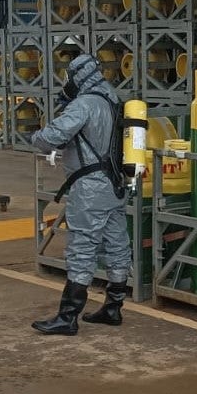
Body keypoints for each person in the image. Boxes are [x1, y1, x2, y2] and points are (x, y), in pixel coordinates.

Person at [27, 53, 130, 336]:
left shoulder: (84, 105)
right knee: (117, 243)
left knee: (82, 247)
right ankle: (113, 307)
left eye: (70, 77)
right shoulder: (114, 100)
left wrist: (36, 137)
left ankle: (68, 316)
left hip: (90, 188)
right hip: (116, 184)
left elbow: (49, 137)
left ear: (78, 77)